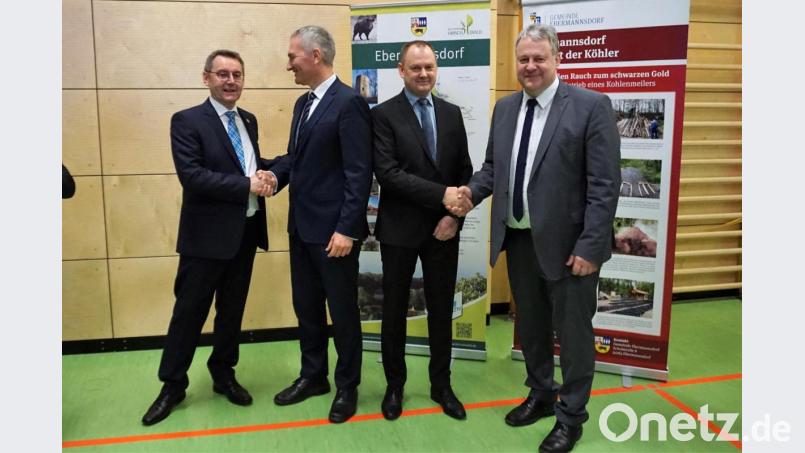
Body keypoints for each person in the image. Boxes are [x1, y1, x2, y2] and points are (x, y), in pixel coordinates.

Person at [447, 24, 620, 452]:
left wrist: (591, 246)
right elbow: (493, 168)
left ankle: (571, 416)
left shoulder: (590, 107)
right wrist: (471, 192)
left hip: (571, 249)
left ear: (557, 59)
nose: (530, 66)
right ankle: (542, 392)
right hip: (520, 241)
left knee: (574, 336)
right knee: (533, 326)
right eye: (523, 59)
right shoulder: (505, 109)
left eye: (539, 58)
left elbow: (604, 185)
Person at [141, 49, 275, 426]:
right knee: (188, 314)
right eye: (222, 74)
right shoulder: (186, 121)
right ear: (206, 78)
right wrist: (248, 182)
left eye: (237, 74)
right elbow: (193, 177)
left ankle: (223, 374)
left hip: (245, 234)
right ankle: (172, 385)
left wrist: (267, 174)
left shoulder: (248, 119)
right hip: (204, 241)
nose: (231, 81)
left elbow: (249, 166)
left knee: (231, 313)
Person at [264, 25, 372, 424]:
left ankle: (347, 387)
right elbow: (297, 159)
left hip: (334, 234)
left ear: (316, 56)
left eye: (293, 56)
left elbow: (359, 173)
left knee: (342, 313)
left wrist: (347, 229)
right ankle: (314, 376)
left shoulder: (349, 103)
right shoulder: (302, 105)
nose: (288, 63)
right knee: (307, 309)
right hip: (301, 228)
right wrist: (274, 176)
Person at [371, 40, 473, 421]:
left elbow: (464, 171)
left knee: (441, 310)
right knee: (394, 311)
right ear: (401, 70)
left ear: (436, 69)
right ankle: (394, 386)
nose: (423, 73)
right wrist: (443, 196)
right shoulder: (382, 115)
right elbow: (389, 175)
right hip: (398, 231)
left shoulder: (451, 113)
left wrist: (455, 216)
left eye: (429, 66)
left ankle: (441, 385)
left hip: (444, 230)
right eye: (415, 68)